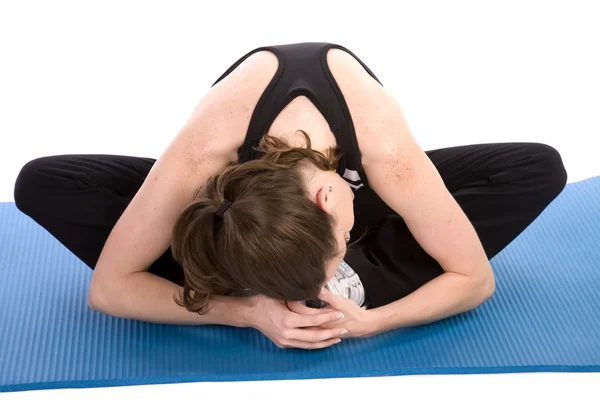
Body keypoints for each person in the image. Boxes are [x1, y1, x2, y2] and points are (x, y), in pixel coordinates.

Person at [14, 42, 567, 350]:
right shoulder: (202, 155)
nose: (338, 251)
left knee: (535, 168)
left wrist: (374, 321)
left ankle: (281, 264)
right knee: (44, 183)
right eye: (339, 251)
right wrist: (248, 311)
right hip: (240, 211)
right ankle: (249, 254)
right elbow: (108, 290)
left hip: (353, 192)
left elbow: (476, 278)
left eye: (338, 250)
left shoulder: (386, 152)